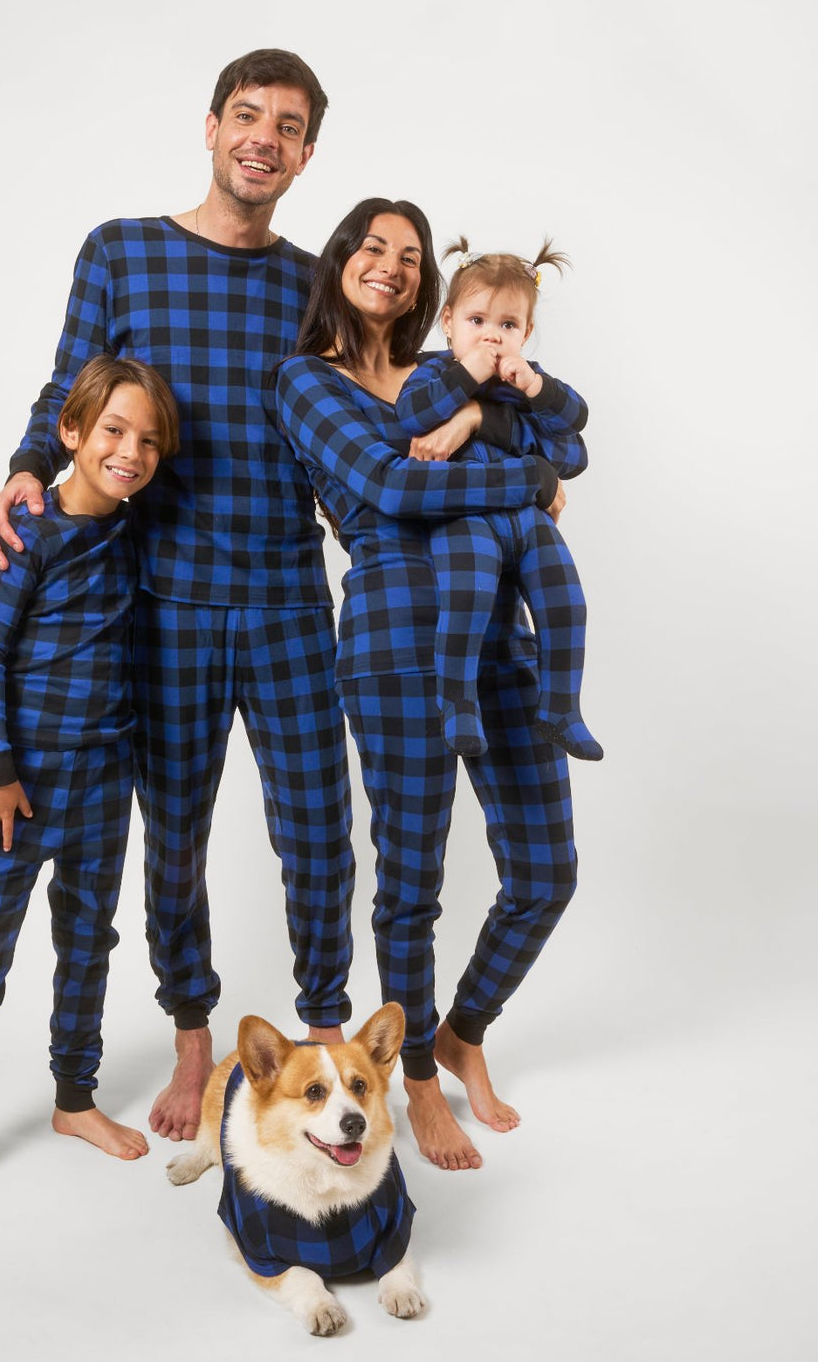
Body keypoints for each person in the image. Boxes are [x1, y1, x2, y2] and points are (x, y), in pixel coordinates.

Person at [0, 50, 355, 1144]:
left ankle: (322, 1032)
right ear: (211, 126)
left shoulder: (312, 284)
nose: (264, 139)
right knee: (175, 835)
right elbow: (70, 385)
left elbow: (377, 406)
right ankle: (196, 1031)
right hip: (164, 601)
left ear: (305, 154)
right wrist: (20, 468)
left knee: (320, 833)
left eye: (287, 127)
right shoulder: (124, 253)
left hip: (288, 599)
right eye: (249, 116)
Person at [274, 199, 584, 1171]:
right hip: (396, 647)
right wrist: (525, 482)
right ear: (343, 261)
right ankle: (414, 1078)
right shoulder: (306, 381)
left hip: (502, 638)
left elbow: (552, 444)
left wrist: (504, 438)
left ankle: (464, 1032)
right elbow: (393, 489)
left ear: (432, 290)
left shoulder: (443, 375)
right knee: (412, 883)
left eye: (411, 256)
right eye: (376, 248)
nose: (394, 266)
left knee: (545, 871)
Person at [0, 356, 179, 1227]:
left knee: (88, 944)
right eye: (115, 432)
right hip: (12, 793)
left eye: (150, 441)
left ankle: (73, 1095)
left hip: (103, 782)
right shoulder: (29, 532)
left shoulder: (129, 532)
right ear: (72, 435)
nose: (131, 452)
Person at [394, 238, 602, 761]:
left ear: (526, 333)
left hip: (529, 520)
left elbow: (573, 437)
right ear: (448, 322)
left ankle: (561, 707)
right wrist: (471, 381)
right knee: (468, 598)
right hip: (466, 517)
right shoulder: (436, 374)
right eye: (477, 321)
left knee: (566, 599)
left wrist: (535, 389)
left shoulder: (524, 384)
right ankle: (458, 701)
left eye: (508, 326)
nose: (492, 336)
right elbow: (414, 417)